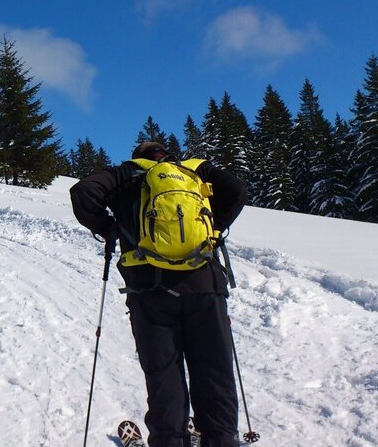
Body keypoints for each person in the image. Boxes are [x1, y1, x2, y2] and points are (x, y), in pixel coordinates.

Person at [70, 141, 248, 447]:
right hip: (204, 285)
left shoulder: (128, 173)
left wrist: (111, 228)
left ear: (138, 156)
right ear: (168, 156)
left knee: (163, 377)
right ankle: (221, 439)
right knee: (215, 373)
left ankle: (169, 439)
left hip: (150, 290)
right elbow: (238, 192)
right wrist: (214, 228)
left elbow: (83, 192)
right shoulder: (194, 169)